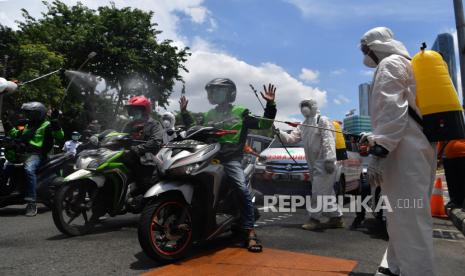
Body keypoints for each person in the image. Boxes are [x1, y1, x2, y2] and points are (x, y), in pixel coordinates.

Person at [360, 27, 436, 276]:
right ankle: (395, 266)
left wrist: (379, 149)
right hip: (418, 146)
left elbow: (390, 110)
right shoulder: (407, 63)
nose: (364, 55)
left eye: (365, 49)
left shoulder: (389, 64)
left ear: (375, 46)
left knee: (408, 220)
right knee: (403, 216)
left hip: (403, 150)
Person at [179, 78, 277, 252]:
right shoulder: (209, 114)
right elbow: (195, 129)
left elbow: (265, 124)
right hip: (209, 155)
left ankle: (250, 232)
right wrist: (185, 113)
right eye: (212, 91)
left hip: (230, 159)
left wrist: (270, 105)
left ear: (230, 93)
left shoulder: (241, 112)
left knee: (241, 188)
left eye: (219, 90)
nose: (214, 94)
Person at [278, 99, 344, 230]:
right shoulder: (303, 125)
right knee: (327, 192)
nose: (303, 109)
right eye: (302, 106)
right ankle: (336, 218)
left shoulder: (322, 120)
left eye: (306, 106)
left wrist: (330, 160)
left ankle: (314, 219)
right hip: (313, 164)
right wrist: (279, 133)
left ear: (313, 106)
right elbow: (292, 138)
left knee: (318, 191)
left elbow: (328, 141)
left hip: (324, 162)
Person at [2, 102, 64, 216]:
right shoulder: (28, 125)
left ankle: (31, 202)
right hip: (22, 154)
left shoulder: (47, 125)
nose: (28, 116)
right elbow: (14, 134)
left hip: (37, 155)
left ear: (38, 114)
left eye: (31, 113)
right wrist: (6, 122)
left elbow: (60, 136)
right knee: (6, 168)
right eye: (27, 113)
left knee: (28, 169)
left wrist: (55, 121)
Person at [121, 96, 163, 190]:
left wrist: (136, 149)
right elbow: (120, 137)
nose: (133, 112)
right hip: (128, 158)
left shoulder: (154, 124)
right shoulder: (129, 125)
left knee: (143, 186)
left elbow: (156, 142)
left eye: (136, 109)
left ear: (144, 110)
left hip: (146, 161)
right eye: (132, 109)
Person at [437, 140, 465, 210]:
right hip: (455, 153)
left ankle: (456, 201)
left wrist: (439, 156)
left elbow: (442, 139)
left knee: (453, 181)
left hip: (450, 153)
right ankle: (458, 201)